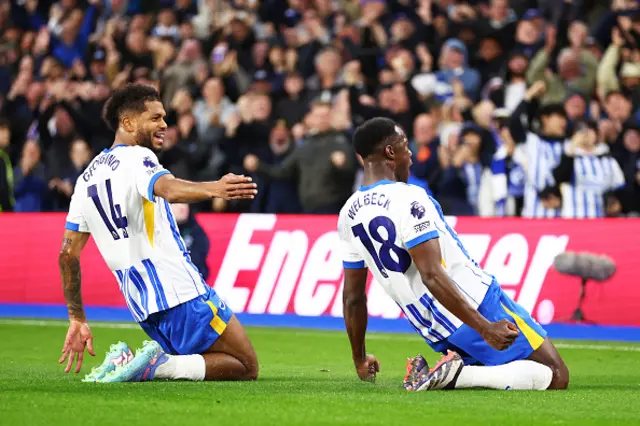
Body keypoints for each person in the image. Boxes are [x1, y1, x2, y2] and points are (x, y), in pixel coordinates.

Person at [338, 117, 569, 391]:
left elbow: (352, 297)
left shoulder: (348, 214)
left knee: (503, 374)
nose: (410, 153)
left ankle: (454, 370)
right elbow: (432, 274)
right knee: (555, 375)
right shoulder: (410, 198)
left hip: (431, 325)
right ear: (390, 152)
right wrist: (485, 327)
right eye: (405, 146)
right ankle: (457, 374)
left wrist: (360, 358)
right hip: (475, 304)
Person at [58, 84, 259, 383]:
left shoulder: (86, 179)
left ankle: (133, 360)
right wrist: (216, 188)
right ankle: (158, 364)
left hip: (142, 306)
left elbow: (67, 255)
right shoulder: (138, 157)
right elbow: (167, 188)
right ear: (127, 123)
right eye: (154, 118)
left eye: (164, 117)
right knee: (245, 366)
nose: (164, 124)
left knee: (197, 363)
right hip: (179, 290)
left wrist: (77, 317)